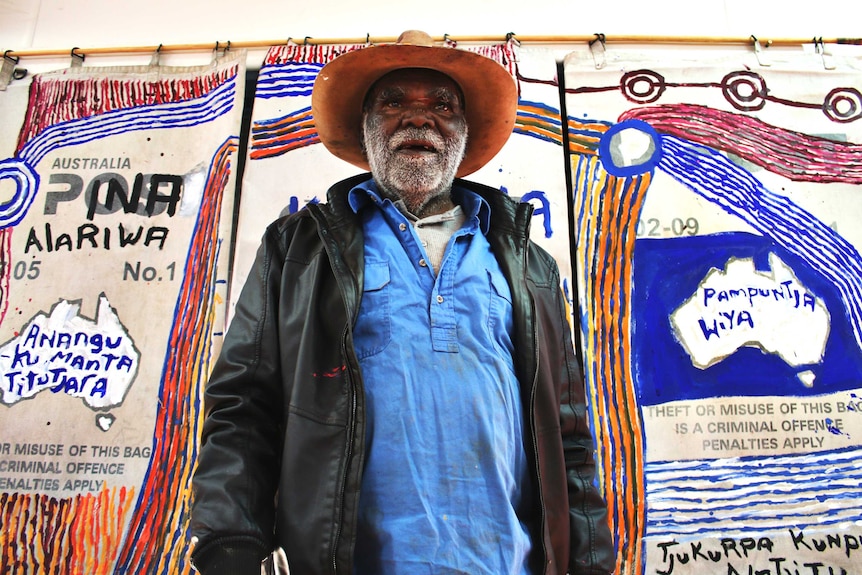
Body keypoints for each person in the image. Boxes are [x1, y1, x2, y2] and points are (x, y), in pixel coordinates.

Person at [190, 30, 614, 575]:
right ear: (366, 129)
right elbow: (243, 409)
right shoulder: (296, 250)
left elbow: (569, 432)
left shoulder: (531, 265)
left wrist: (591, 562)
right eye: (394, 103)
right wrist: (230, 547)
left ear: (463, 133)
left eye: (442, 105)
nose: (420, 119)